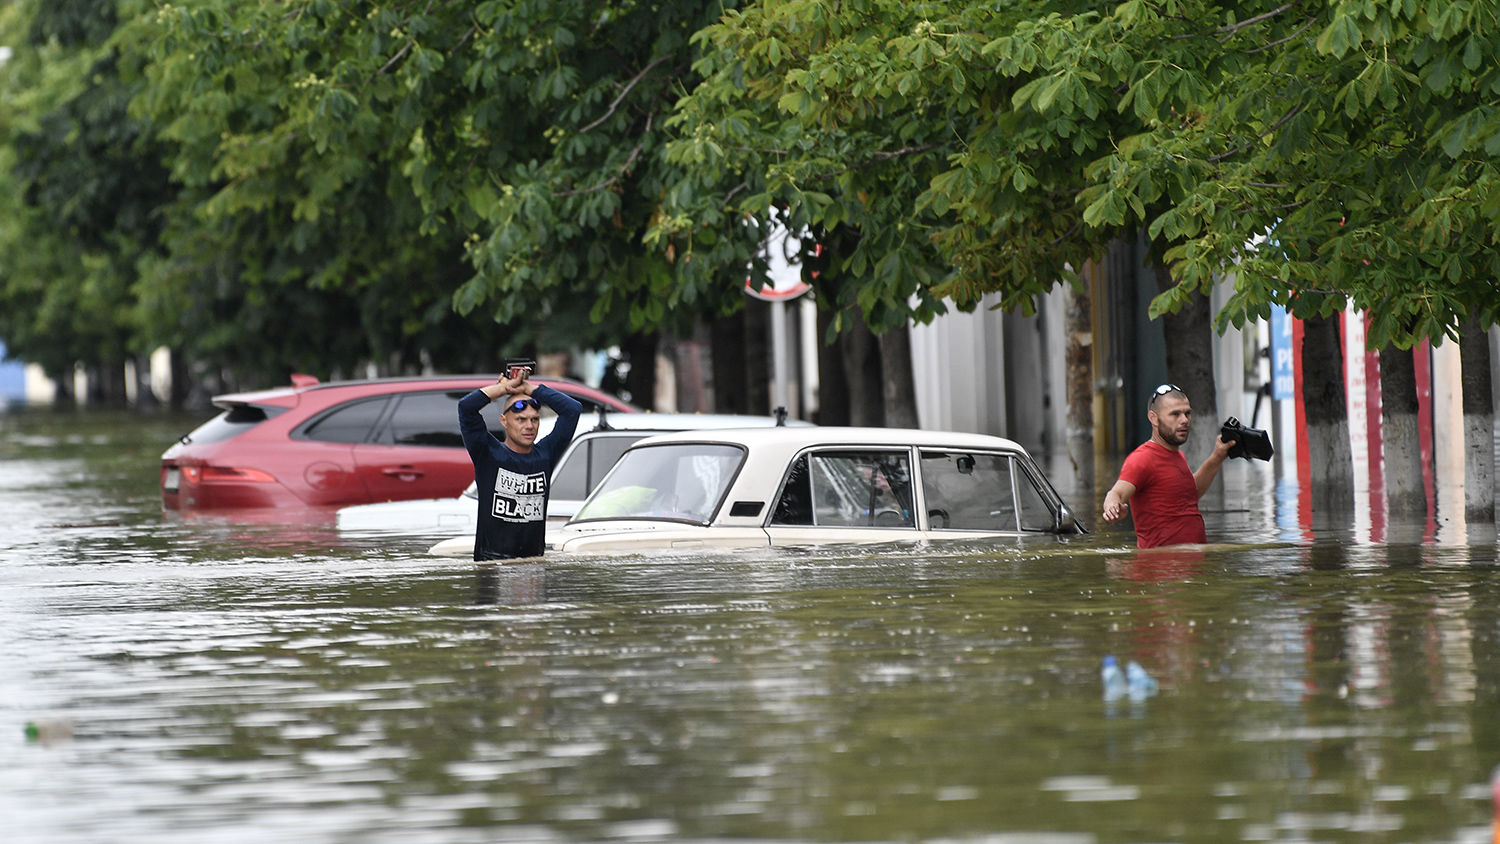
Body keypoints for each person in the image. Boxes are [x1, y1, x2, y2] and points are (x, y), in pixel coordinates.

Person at [458, 367, 582, 561]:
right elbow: (466, 407)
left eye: (534, 419)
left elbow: (572, 410)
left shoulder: (546, 454)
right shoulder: (488, 453)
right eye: (521, 419)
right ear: (504, 421)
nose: (529, 426)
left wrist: (529, 388)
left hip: (533, 563)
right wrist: (504, 389)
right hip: (492, 563)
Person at [1102, 383, 1235, 549]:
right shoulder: (1142, 459)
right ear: (1153, 418)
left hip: (1191, 568)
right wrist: (1112, 507)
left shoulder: (1178, 456)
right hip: (1160, 570)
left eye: (1187, 413)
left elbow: (1189, 493)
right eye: (1175, 414)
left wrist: (1217, 457)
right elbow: (1116, 493)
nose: (1184, 420)